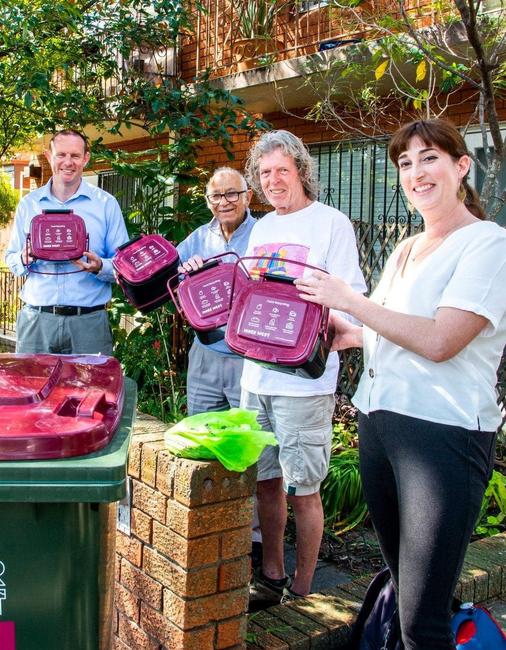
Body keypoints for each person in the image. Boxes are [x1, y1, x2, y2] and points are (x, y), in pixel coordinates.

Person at [295, 119, 506, 649]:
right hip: (379, 423)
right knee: (401, 584)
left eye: (429, 157)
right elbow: (385, 330)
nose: (416, 171)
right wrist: (337, 331)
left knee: (422, 617)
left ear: (461, 166)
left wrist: (350, 300)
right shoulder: (406, 248)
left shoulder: (487, 245)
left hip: (444, 436)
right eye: (405, 163)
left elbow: (440, 340)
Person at [243, 130, 366, 603]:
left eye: (281, 170)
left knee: (304, 489)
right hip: (256, 376)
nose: (273, 180)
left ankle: (306, 589)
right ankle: (271, 577)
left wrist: (326, 326)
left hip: (304, 383)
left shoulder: (331, 223)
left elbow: (352, 299)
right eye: (265, 172)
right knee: (267, 484)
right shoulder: (263, 227)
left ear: (301, 172)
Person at [5, 129, 128, 355]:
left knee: (91, 390)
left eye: (75, 156)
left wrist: (100, 266)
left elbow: (124, 264)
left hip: (88, 322)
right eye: (61, 155)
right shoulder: (28, 204)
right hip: (37, 320)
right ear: (49, 156)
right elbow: (11, 259)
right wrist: (24, 258)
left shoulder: (105, 204)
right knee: (33, 387)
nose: (68, 162)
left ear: (86, 158)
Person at [177, 167, 256, 415]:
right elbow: (172, 275)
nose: (224, 202)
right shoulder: (199, 237)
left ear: (248, 197)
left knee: (250, 440)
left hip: (248, 358)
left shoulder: (264, 235)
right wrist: (185, 273)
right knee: (202, 438)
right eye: (216, 196)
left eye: (232, 194)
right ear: (208, 201)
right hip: (205, 353)